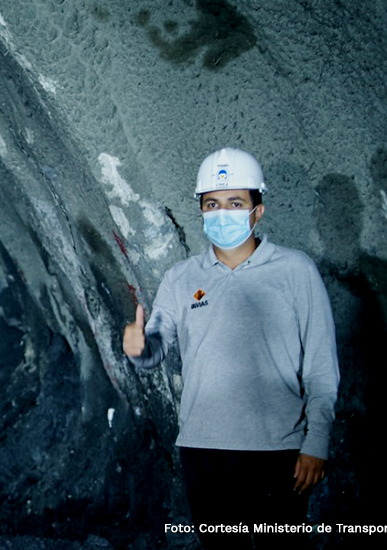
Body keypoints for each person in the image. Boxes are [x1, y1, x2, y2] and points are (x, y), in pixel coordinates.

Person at [123, 148, 339, 549]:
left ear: (257, 211)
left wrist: (317, 441)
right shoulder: (181, 277)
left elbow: (321, 368)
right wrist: (138, 348)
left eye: (235, 203)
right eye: (212, 204)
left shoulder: (296, 271)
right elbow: (155, 351)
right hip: (204, 452)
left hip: (280, 451)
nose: (222, 213)